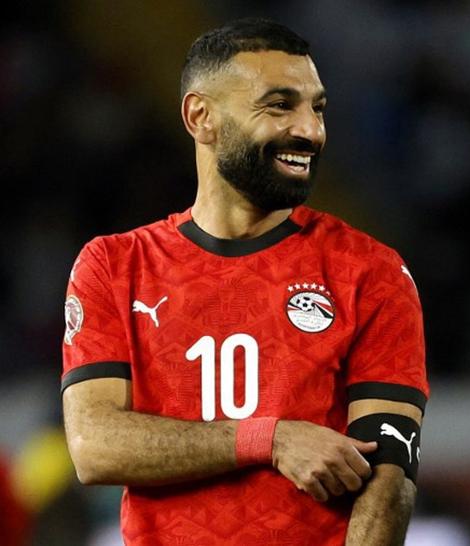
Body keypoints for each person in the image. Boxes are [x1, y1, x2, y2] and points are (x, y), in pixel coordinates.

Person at [61, 18, 428, 546]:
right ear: (201, 117)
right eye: (280, 105)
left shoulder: (370, 272)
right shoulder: (115, 266)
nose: (309, 130)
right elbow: (94, 446)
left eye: (317, 108)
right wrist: (269, 439)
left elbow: (388, 480)